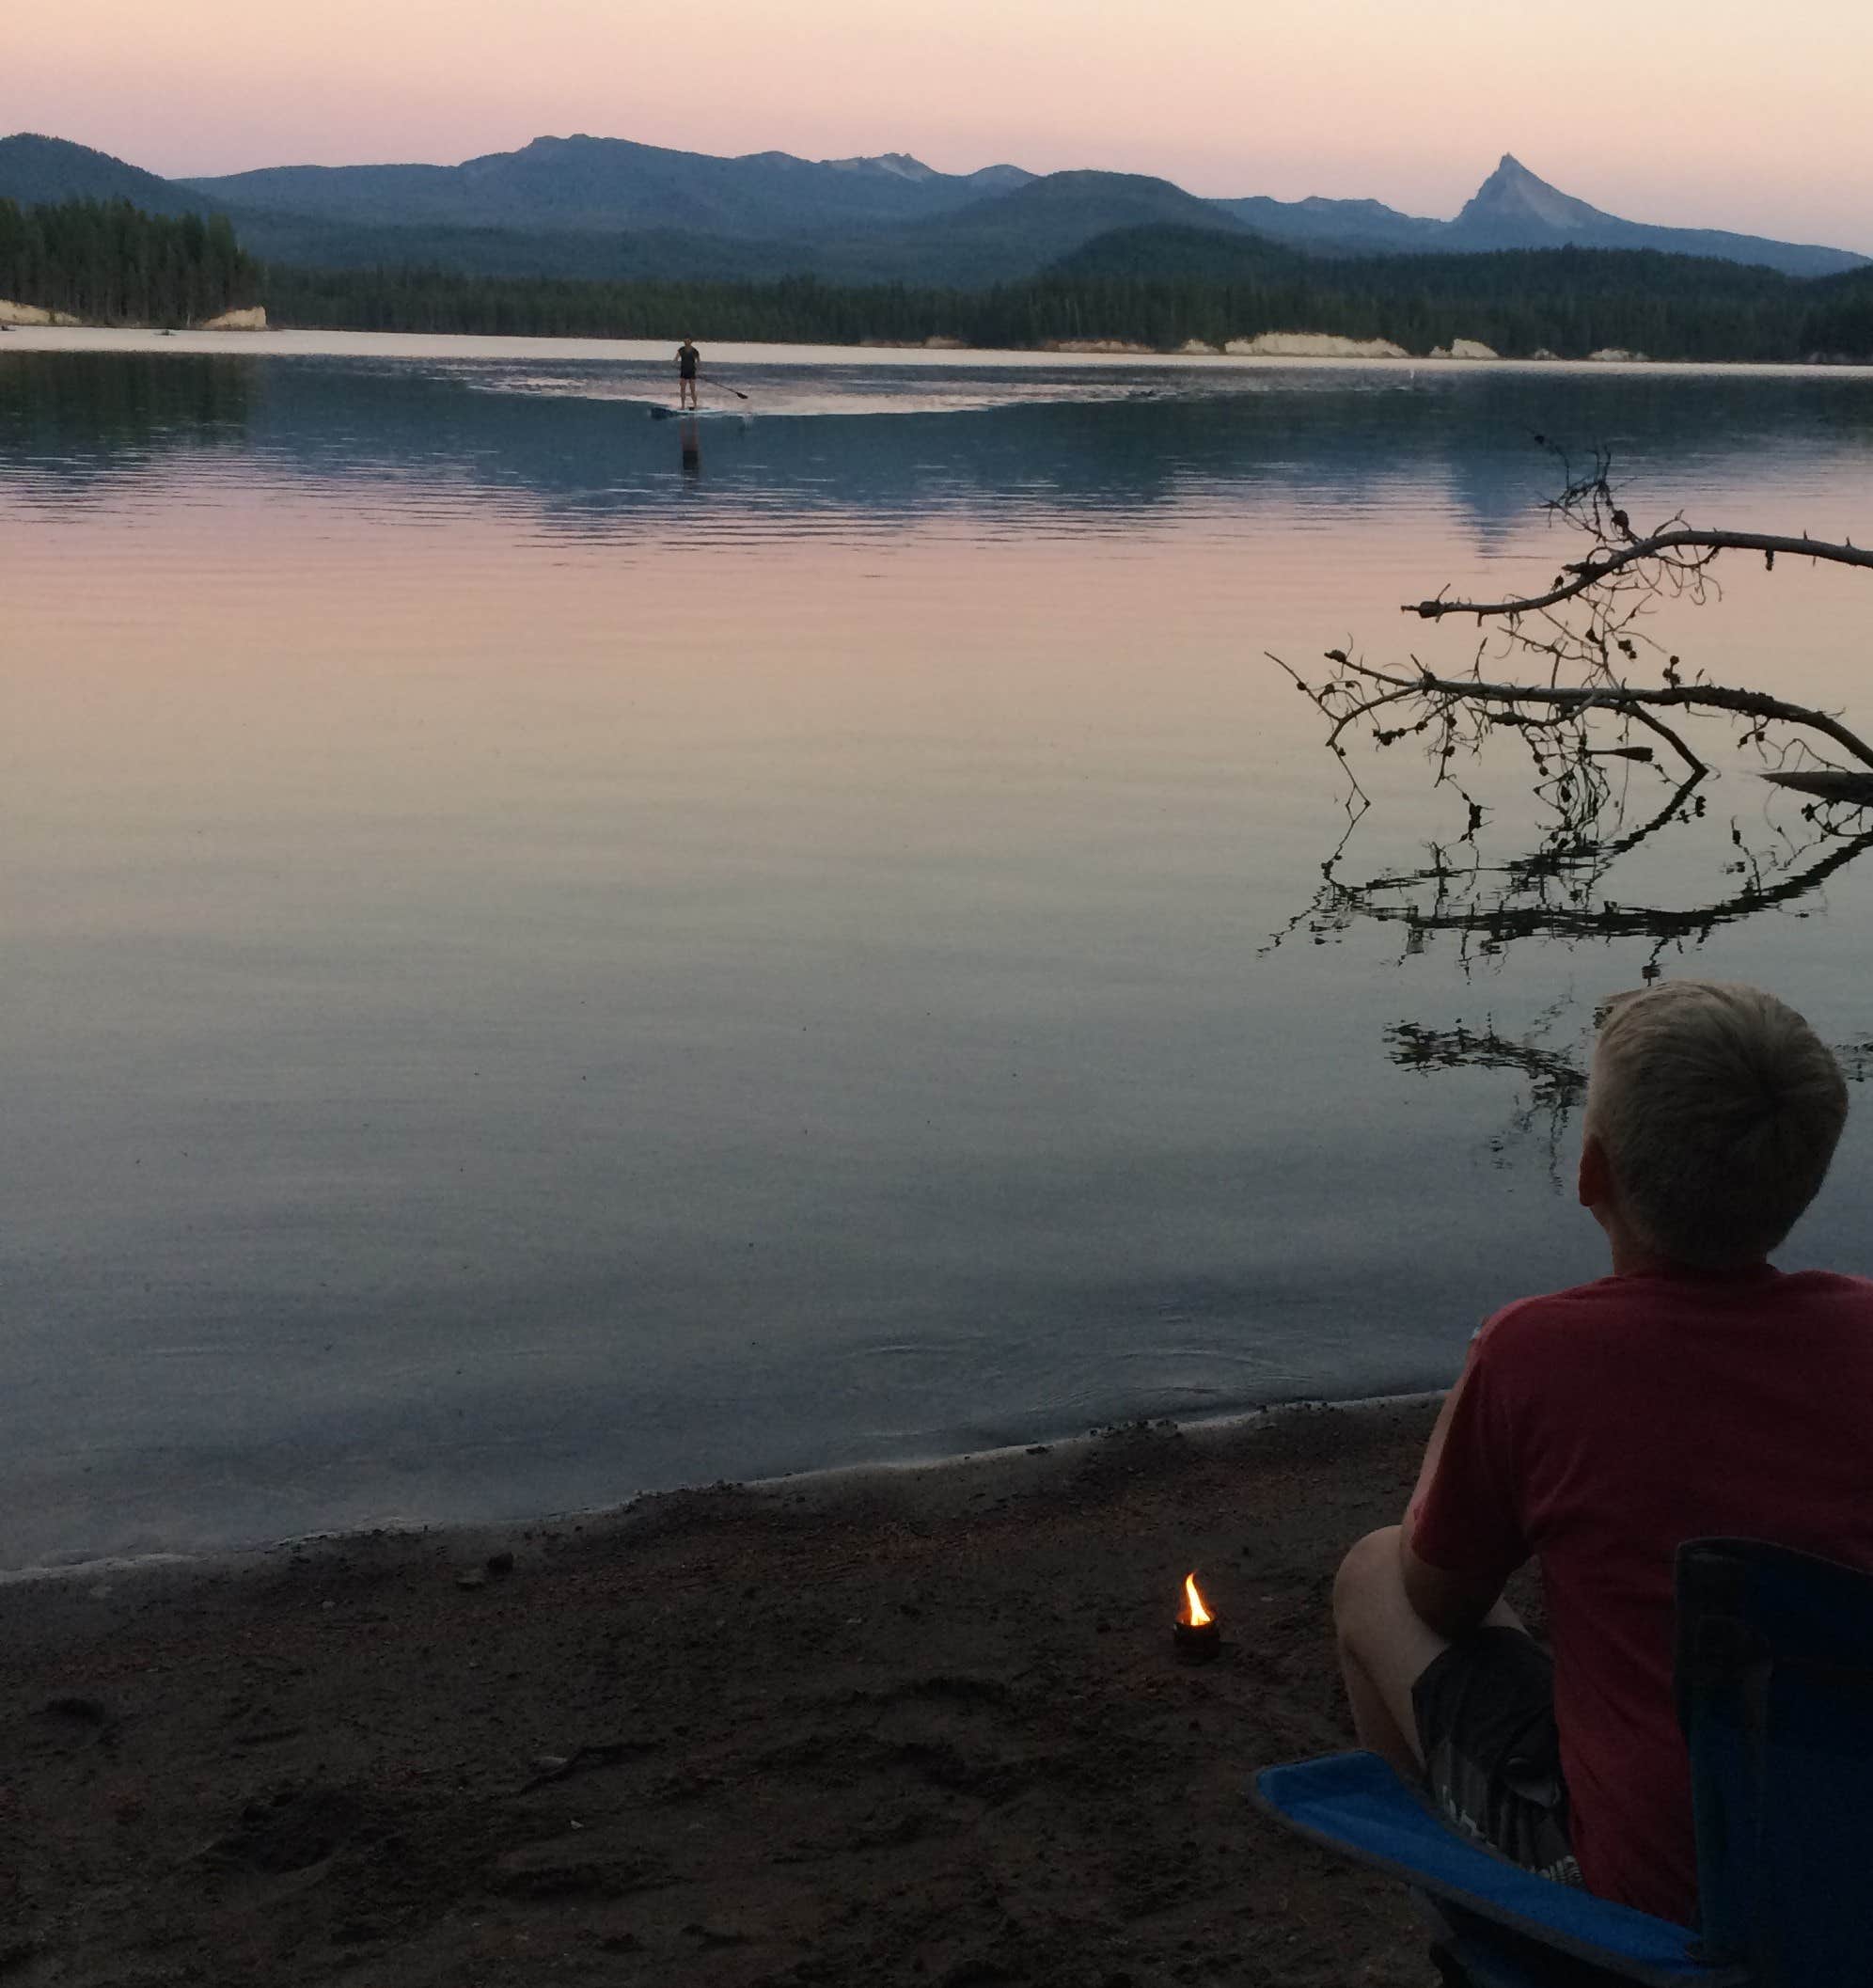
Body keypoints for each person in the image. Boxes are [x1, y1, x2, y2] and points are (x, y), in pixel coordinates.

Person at [1331, 979, 1873, 1923]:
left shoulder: (1536, 1351)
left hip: (1658, 1885)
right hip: (1849, 1857)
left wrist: (1474, 1390)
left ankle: (1482, 1925)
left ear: (1591, 1173)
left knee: (1374, 1572)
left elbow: (1440, 1595)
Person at [675, 338, 700, 410]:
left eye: (688, 341)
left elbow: (699, 361)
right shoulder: (681, 350)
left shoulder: (695, 351)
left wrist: (697, 370)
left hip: (692, 372)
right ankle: (682, 406)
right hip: (683, 372)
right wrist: (675, 364)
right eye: (685, 341)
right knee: (682, 389)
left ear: (691, 342)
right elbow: (676, 359)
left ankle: (695, 405)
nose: (686, 342)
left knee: (692, 389)